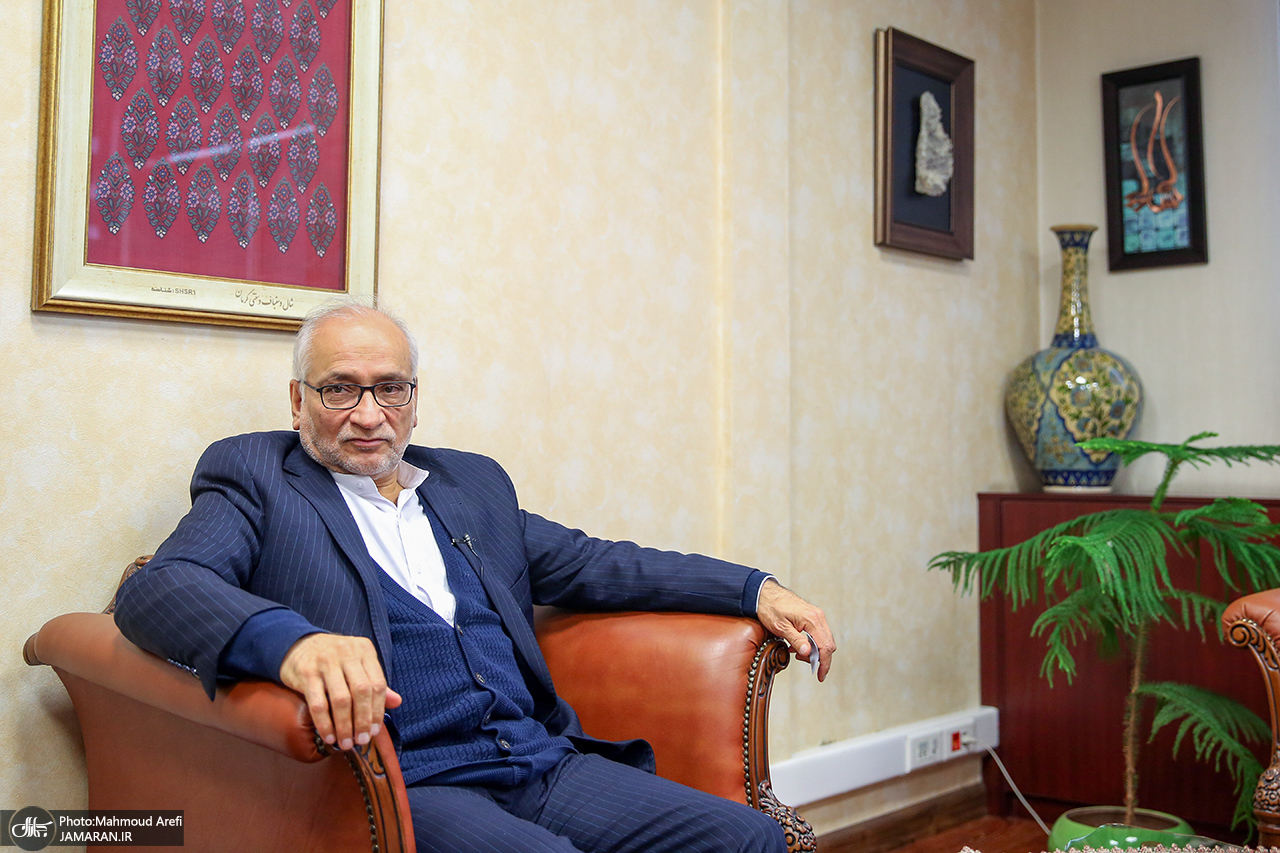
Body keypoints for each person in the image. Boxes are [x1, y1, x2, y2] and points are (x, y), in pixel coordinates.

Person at [114, 299, 835, 853]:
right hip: (408, 780)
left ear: (415, 399)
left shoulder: (471, 485)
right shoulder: (258, 478)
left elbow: (594, 562)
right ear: (298, 401)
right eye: (339, 390)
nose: (368, 415)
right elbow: (160, 587)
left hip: (540, 760)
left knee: (747, 838)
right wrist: (294, 645)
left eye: (390, 389)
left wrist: (755, 589)